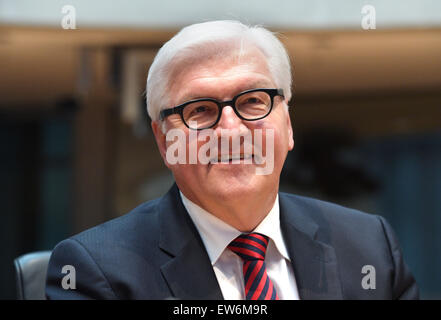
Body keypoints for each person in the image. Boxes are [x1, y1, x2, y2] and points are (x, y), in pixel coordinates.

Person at [46, 20, 419, 300]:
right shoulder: (97, 271)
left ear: (287, 125)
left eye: (253, 101)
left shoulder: (369, 246)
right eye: (201, 109)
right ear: (164, 141)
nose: (231, 130)